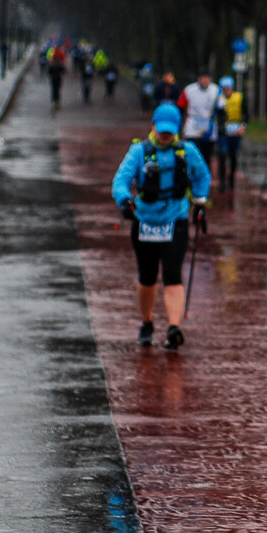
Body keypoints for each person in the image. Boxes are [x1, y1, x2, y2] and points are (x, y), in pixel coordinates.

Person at [111, 103, 211, 351]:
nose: (165, 135)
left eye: (170, 130)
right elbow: (120, 180)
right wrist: (124, 201)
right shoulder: (138, 152)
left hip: (175, 221)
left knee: (173, 275)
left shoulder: (187, 151)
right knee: (147, 277)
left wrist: (199, 202)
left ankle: (173, 327)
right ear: (153, 126)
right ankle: (147, 323)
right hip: (144, 222)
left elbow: (203, 176)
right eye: (161, 129)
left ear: (177, 129)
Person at [178, 69, 220, 169]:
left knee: (207, 155)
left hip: (209, 127)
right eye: (202, 78)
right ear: (198, 79)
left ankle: (205, 178)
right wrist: (180, 127)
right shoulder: (189, 90)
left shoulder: (217, 90)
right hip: (193, 126)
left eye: (207, 78)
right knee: (192, 154)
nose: (204, 80)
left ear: (210, 79)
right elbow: (180, 107)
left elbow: (222, 108)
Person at [215, 76, 248, 192]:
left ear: (232, 88)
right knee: (222, 155)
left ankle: (232, 178)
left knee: (233, 157)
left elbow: (246, 114)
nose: (226, 91)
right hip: (224, 133)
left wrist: (242, 127)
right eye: (224, 89)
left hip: (236, 131)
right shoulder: (219, 99)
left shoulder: (239, 97)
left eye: (228, 88)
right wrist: (221, 126)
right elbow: (217, 115)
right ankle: (222, 182)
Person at [46, 43, 67, 109]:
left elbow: (49, 68)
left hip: (54, 77)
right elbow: (63, 67)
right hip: (57, 77)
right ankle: (56, 102)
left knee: (54, 89)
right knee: (57, 89)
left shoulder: (53, 52)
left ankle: (54, 101)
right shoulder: (60, 53)